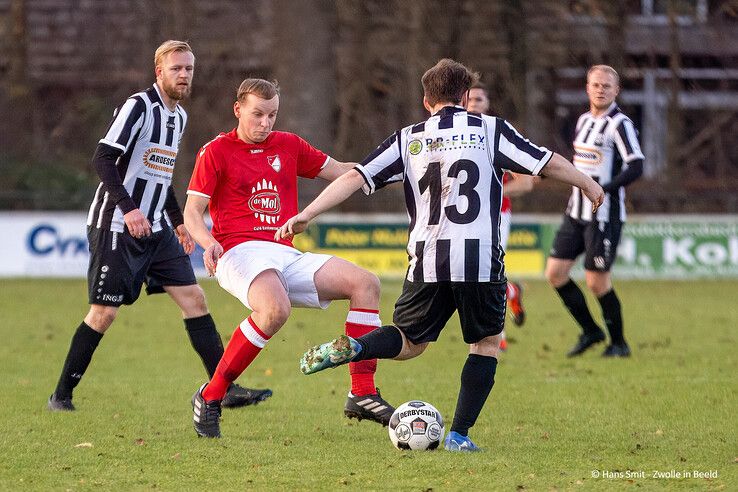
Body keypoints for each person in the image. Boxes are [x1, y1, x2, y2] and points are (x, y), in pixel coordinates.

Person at [277, 59, 604, 451]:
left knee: (410, 341)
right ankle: (459, 436)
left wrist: (307, 214)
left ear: (425, 100)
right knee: (485, 342)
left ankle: (360, 347)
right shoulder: (490, 129)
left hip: (427, 258)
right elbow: (545, 162)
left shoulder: (408, 138)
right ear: (466, 97)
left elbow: (356, 177)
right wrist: (586, 182)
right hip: (479, 259)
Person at [48, 40, 271, 412]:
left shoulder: (179, 116)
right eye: (176, 69)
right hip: (117, 224)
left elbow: (161, 174)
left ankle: (224, 388)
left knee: (195, 298)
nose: (183, 75)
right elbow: (103, 158)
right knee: (104, 313)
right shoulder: (139, 107)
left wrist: (176, 221)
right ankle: (62, 396)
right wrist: (129, 208)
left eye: (188, 69)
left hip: (156, 229)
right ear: (159, 72)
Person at [184, 78, 393, 438]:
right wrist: (207, 242)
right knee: (274, 310)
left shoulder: (288, 145)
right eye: (257, 115)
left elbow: (343, 171)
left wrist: (399, 168)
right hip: (238, 251)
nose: (265, 123)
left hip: (285, 252)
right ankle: (212, 394)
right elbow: (192, 211)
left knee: (366, 283)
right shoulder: (215, 151)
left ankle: (362, 393)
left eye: (272, 115)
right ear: (238, 110)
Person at [545, 65, 644, 358]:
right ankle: (590, 330)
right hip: (575, 211)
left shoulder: (620, 124)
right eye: (596, 85)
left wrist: (605, 189)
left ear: (616, 90)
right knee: (555, 273)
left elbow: (636, 164)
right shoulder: (583, 120)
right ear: (587, 87)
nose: (600, 90)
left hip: (604, 215)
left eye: (606, 86)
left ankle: (619, 343)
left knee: (596, 281)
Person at [466, 82, 537, 350]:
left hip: (496, 217)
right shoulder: (453, 134)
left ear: (487, 104)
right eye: (470, 99)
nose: (474, 103)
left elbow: (526, 182)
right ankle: (512, 292)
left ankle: (499, 336)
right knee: (469, 274)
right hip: (462, 218)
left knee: (490, 271)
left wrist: (494, 192)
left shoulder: (496, 133)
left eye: (479, 99)